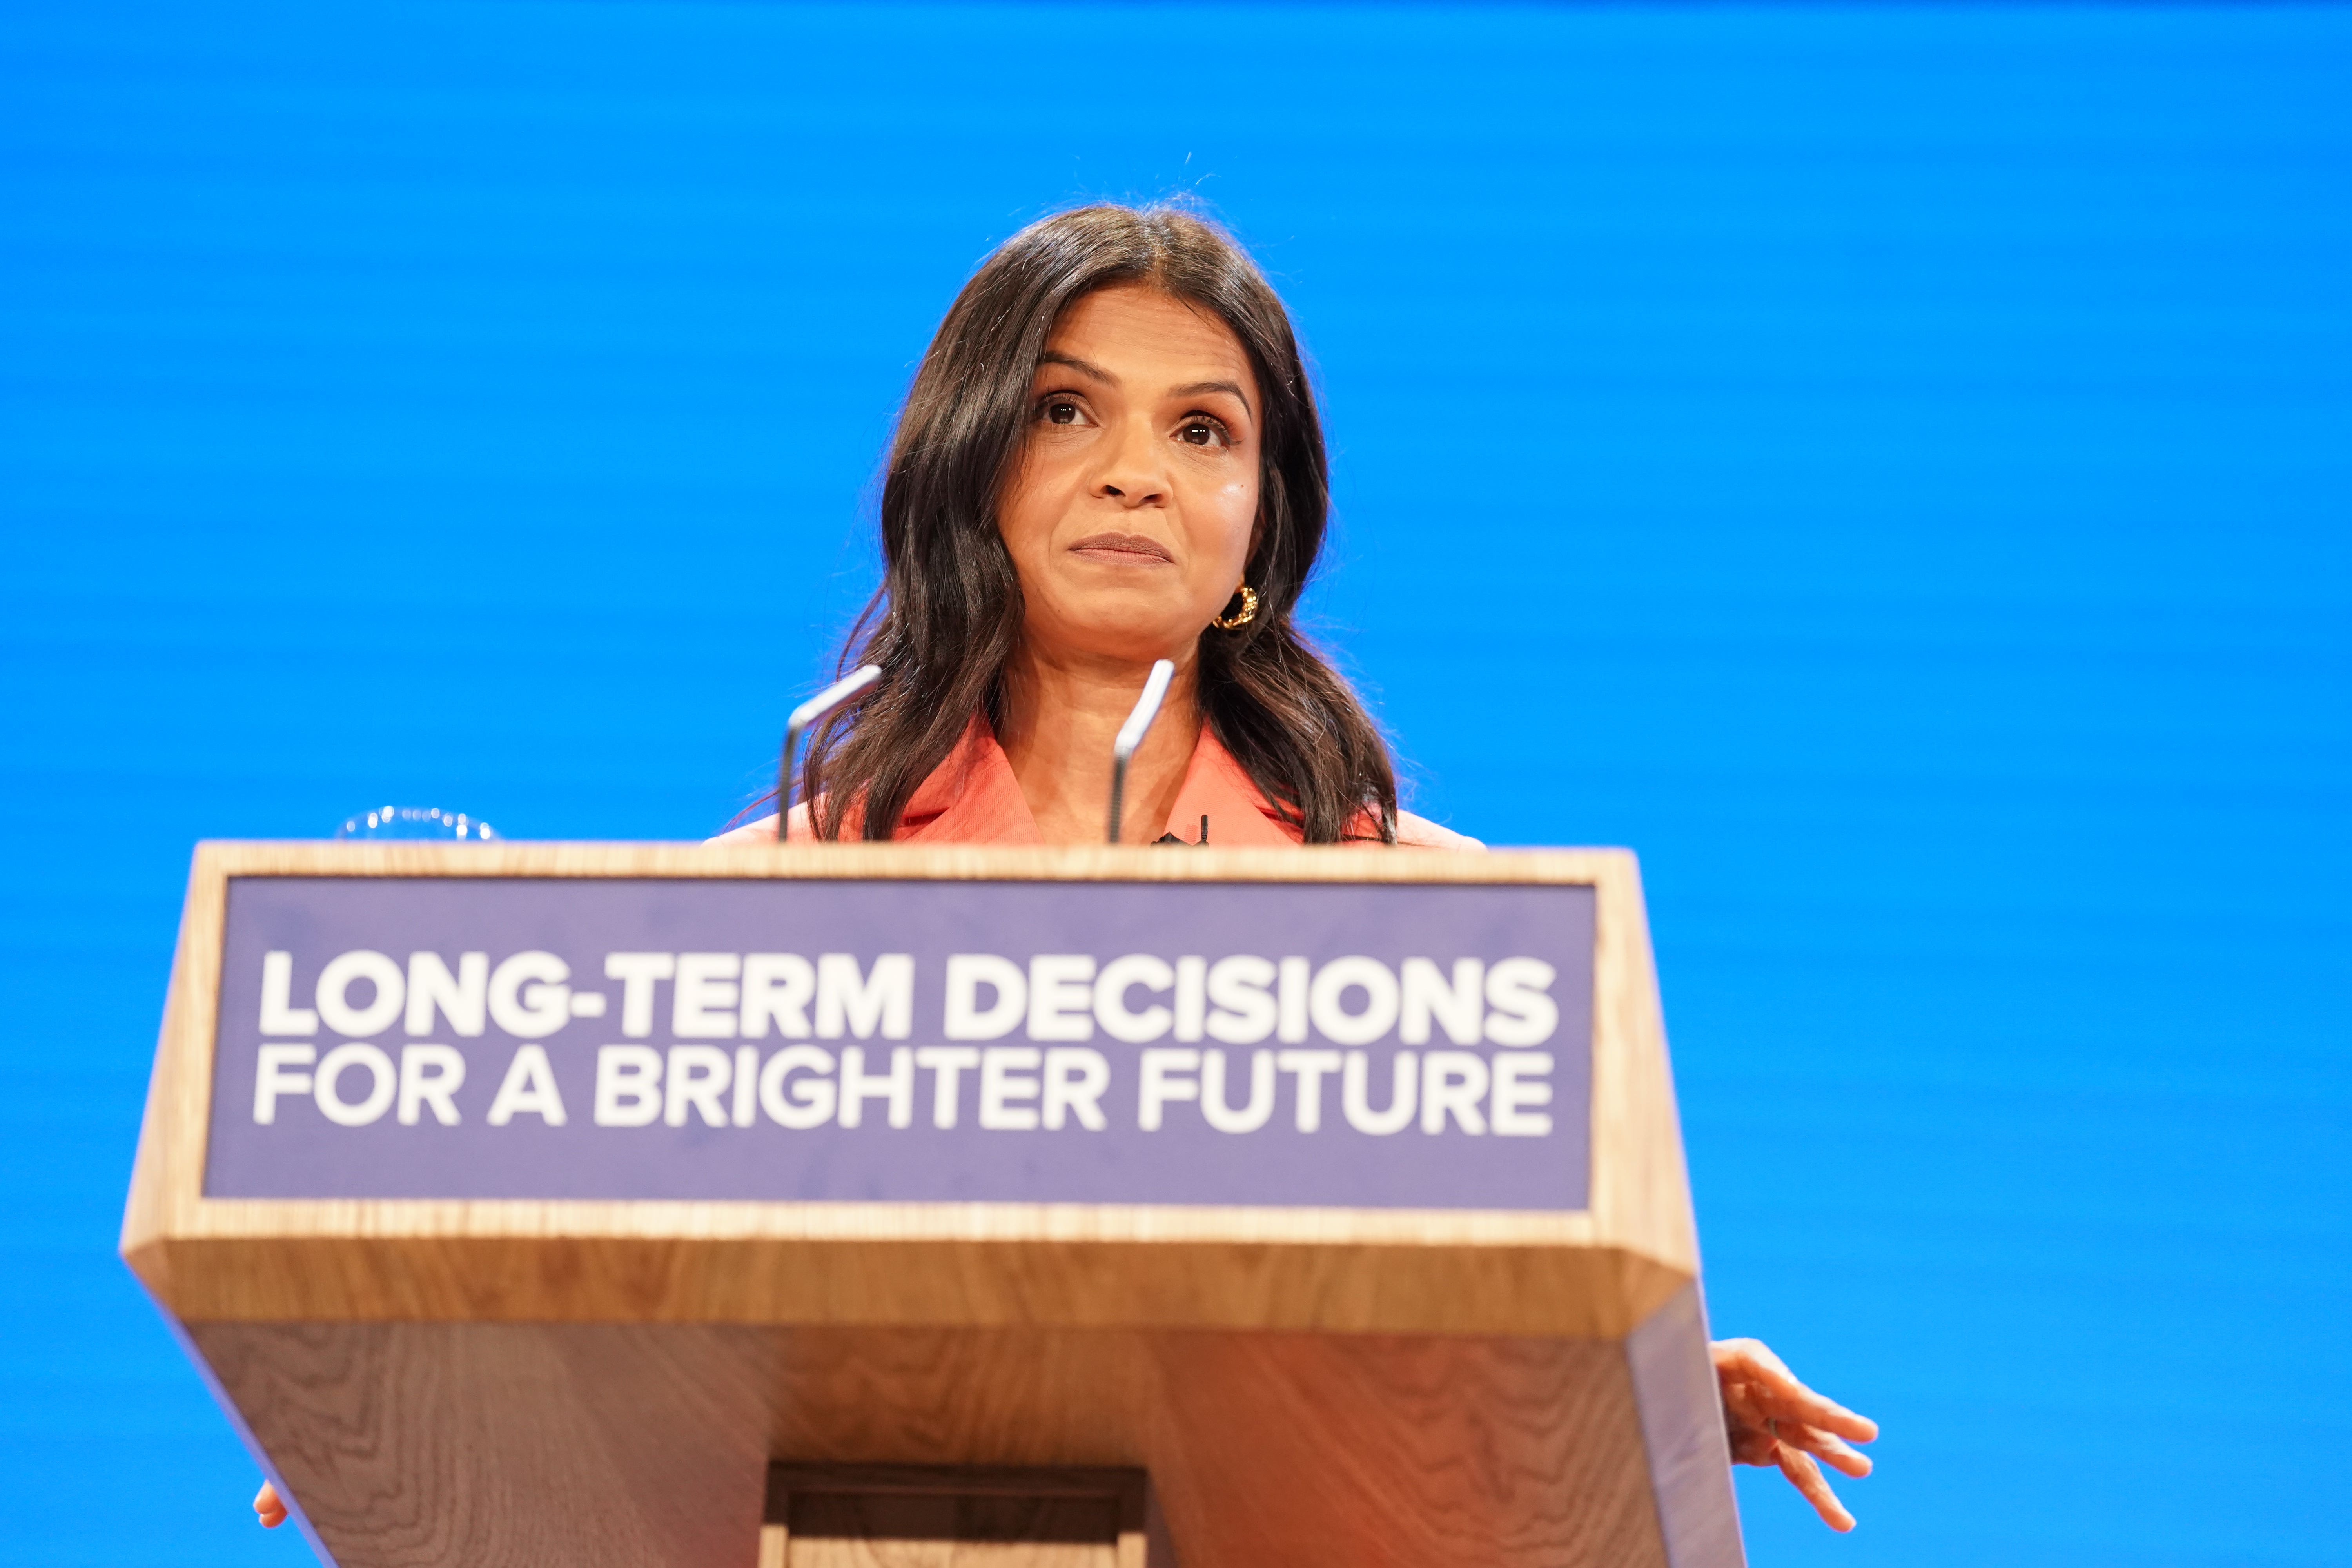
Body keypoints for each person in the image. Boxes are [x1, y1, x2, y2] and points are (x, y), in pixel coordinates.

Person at [254, 202, 1876, 1536]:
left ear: (1264, 512)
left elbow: (1506, 1325)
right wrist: (434, 1378)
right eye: (1065, 410)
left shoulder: (1443, 925)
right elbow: (602, 1285)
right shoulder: (774, 903)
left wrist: (1643, 1384)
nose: (1133, 471)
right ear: (974, 459)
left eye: (1203, 429)